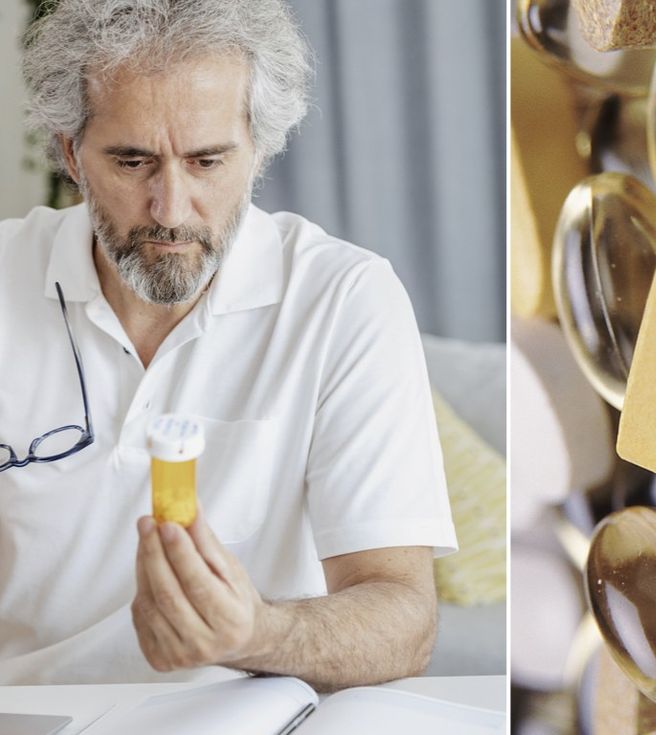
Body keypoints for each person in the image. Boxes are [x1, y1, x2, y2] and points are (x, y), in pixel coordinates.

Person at [0, 0, 457, 689]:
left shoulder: (344, 300)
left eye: (208, 160)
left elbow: (404, 617)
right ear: (71, 151)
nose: (172, 208)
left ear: (260, 148)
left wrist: (254, 633)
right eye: (132, 161)